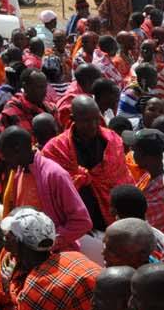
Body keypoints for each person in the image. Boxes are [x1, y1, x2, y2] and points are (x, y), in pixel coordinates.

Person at [0, 207, 101, 310]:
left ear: (20, 244)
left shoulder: (39, 289)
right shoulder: (70, 258)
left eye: (9, 236)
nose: (5, 238)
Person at [41, 94, 133, 231]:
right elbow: (52, 191)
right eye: (86, 121)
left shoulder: (112, 141)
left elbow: (121, 179)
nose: (93, 125)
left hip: (116, 222)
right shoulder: (56, 149)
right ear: (73, 119)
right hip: (76, 226)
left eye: (96, 119)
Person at [0, 126, 92, 251]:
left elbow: (82, 222)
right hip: (27, 255)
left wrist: (49, 242)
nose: (5, 163)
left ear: (17, 149)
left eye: (6, 157)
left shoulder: (55, 174)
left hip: (57, 254)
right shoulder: (18, 173)